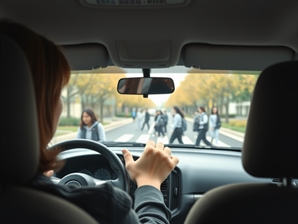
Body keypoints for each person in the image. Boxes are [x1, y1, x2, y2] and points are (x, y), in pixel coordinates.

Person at [0, 19, 179, 224]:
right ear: (30, 105)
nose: (62, 106)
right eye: (57, 93)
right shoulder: (104, 207)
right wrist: (149, 183)